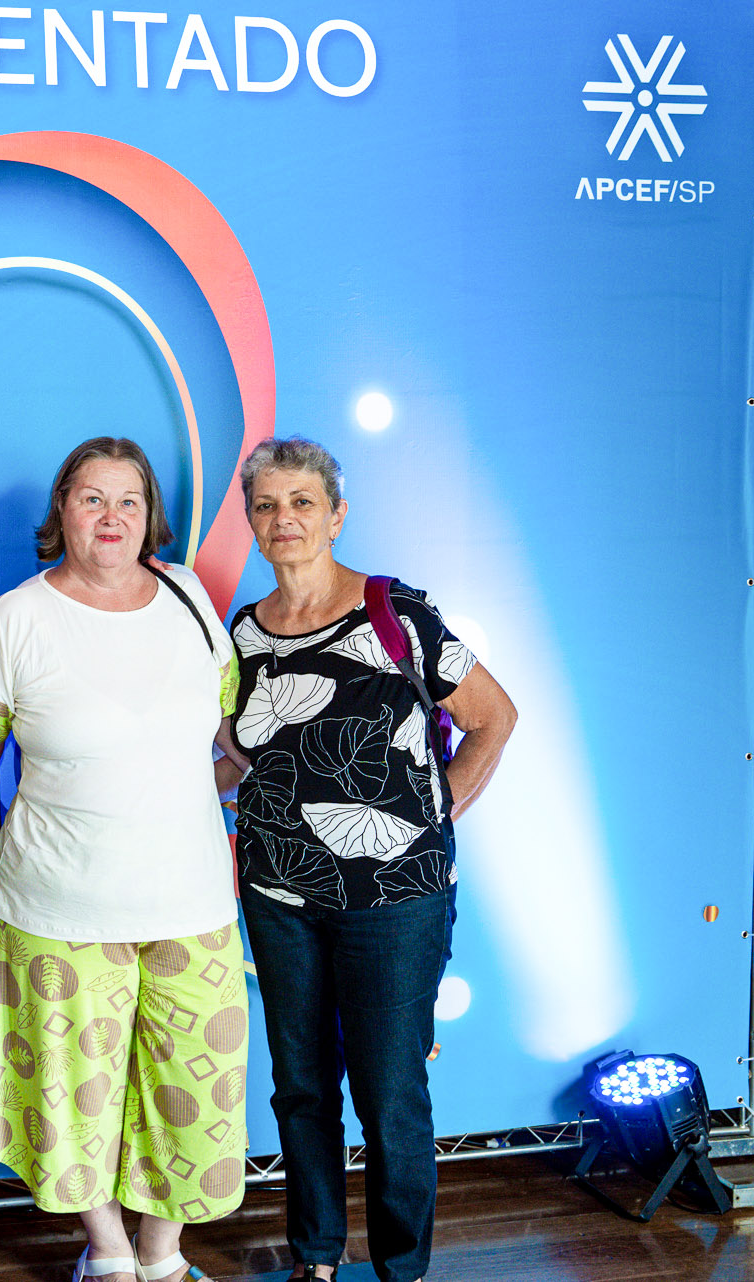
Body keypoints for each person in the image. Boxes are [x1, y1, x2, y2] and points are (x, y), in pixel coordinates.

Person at [227, 438, 516, 1282]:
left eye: (302, 502)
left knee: (389, 1092)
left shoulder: (398, 614)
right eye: (267, 505)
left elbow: (494, 717)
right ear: (252, 521)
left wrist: (433, 812)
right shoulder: (243, 634)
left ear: (336, 515)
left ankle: (401, 1267)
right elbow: (248, 751)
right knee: (301, 1085)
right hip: (278, 892)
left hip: (395, 898)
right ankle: (315, 1257)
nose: (284, 518)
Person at [0, 437, 250, 1282]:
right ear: (62, 508)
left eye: (129, 500)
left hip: (191, 899)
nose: (111, 517)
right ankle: (108, 1251)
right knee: (72, 1099)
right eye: (92, 498)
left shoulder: (191, 599)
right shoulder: (14, 619)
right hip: (58, 905)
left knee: (193, 1094)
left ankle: (163, 1254)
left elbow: (230, 736)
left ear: (149, 514)